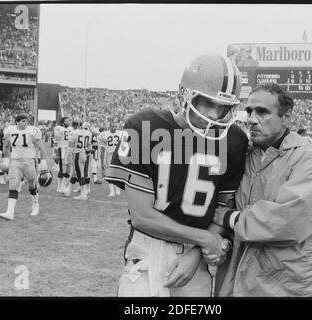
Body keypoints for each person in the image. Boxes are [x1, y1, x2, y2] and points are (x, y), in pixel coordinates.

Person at [104, 53, 248, 297]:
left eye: (222, 107)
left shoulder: (234, 140)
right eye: (207, 103)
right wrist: (204, 239)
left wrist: (195, 253)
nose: (214, 114)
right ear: (184, 94)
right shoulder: (146, 126)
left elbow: (222, 211)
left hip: (196, 258)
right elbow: (142, 216)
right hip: (149, 249)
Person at [212, 82, 312, 297]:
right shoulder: (246, 155)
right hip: (242, 276)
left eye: (262, 112)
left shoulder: (311, 160)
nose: (251, 119)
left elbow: (287, 221)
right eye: (249, 111)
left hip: (287, 283)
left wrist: (229, 218)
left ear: (286, 117)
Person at [0, 114, 48, 220]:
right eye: (22, 121)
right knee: (13, 185)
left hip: (29, 161)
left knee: (32, 185)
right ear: (17, 122)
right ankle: (10, 212)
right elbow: (6, 146)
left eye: (26, 121)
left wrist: (43, 161)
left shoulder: (32, 131)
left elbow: (41, 147)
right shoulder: (10, 130)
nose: (25, 123)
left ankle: (35, 204)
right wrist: (6, 159)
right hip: (15, 162)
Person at [64, 121, 92, 200]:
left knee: (80, 175)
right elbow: (89, 146)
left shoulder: (75, 132)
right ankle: (68, 190)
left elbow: (70, 148)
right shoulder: (88, 133)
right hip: (84, 155)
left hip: (77, 154)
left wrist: (68, 159)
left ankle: (83, 194)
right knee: (75, 173)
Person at [98, 122, 124, 196]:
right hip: (109, 156)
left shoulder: (120, 133)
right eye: (113, 126)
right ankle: (112, 191)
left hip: (118, 155)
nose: (114, 128)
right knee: (110, 173)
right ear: (109, 127)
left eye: (115, 126)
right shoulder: (104, 134)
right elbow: (102, 149)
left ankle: (117, 188)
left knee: (118, 172)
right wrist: (102, 160)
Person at [53, 116, 72, 194]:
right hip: (62, 149)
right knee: (61, 169)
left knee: (68, 169)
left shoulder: (69, 129)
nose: (68, 122)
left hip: (68, 150)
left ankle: (63, 186)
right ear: (63, 122)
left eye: (68, 121)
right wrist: (55, 152)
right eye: (66, 121)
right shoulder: (59, 129)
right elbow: (56, 141)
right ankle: (59, 187)